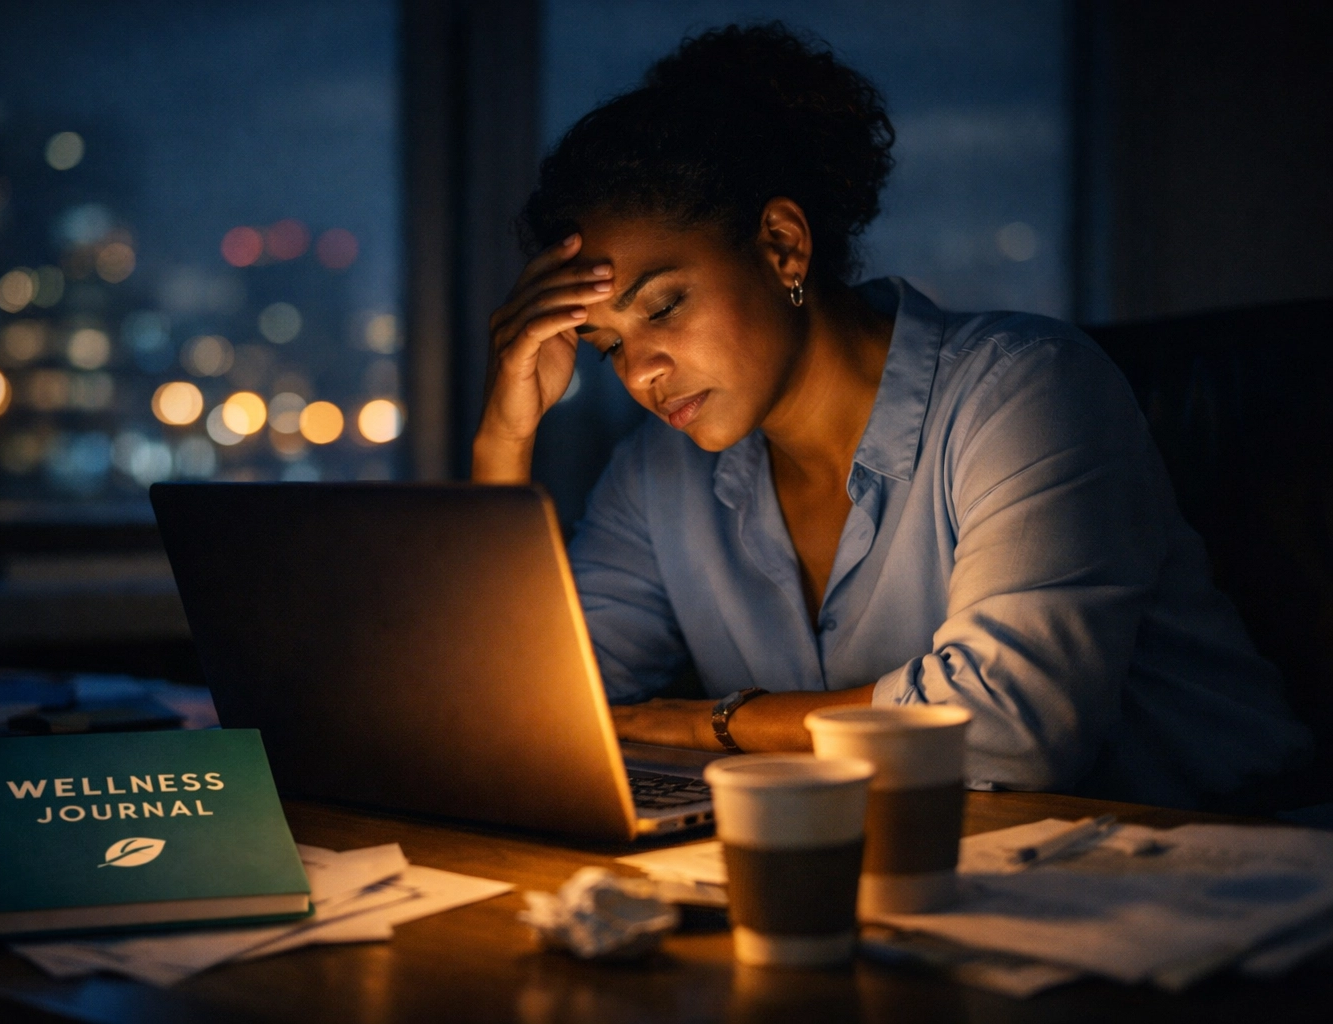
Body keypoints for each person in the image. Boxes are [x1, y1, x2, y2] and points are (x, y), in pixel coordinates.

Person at [471, 23, 1310, 809]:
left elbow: (1009, 734)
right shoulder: (661, 479)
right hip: (954, 891)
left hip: (1230, 871)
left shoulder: (1025, 392)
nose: (642, 373)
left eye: (662, 307)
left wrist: (709, 722)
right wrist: (504, 440)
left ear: (781, 246)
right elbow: (522, 720)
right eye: (607, 347)